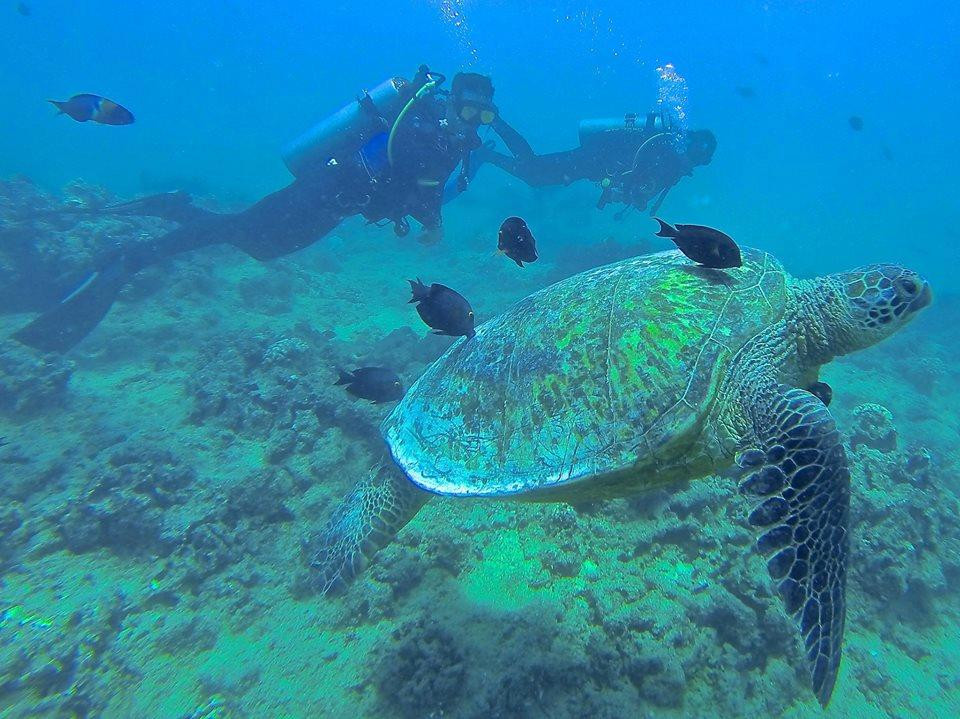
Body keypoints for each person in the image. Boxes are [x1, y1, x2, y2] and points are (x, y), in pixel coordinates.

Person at [14, 66, 527, 353]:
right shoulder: (424, 128)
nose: (472, 122)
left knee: (254, 242)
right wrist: (432, 221)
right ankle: (134, 257)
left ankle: (178, 210)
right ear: (451, 102)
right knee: (243, 233)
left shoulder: (448, 140)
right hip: (324, 191)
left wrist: (430, 213)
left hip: (336, 205)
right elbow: (417, 184)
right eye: (467, 110)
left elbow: (419, 187)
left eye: (483, 116)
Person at [474, 110, 716, 218]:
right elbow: (634, 183)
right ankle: (493, 127)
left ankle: (488, 148)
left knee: (534, 172)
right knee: (534, 173)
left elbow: (636, 183)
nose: (693, 166)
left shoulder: (667, 159)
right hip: (593, 159)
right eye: (696, 158)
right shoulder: (666, 161)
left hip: (595, 160)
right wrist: (630, 195)